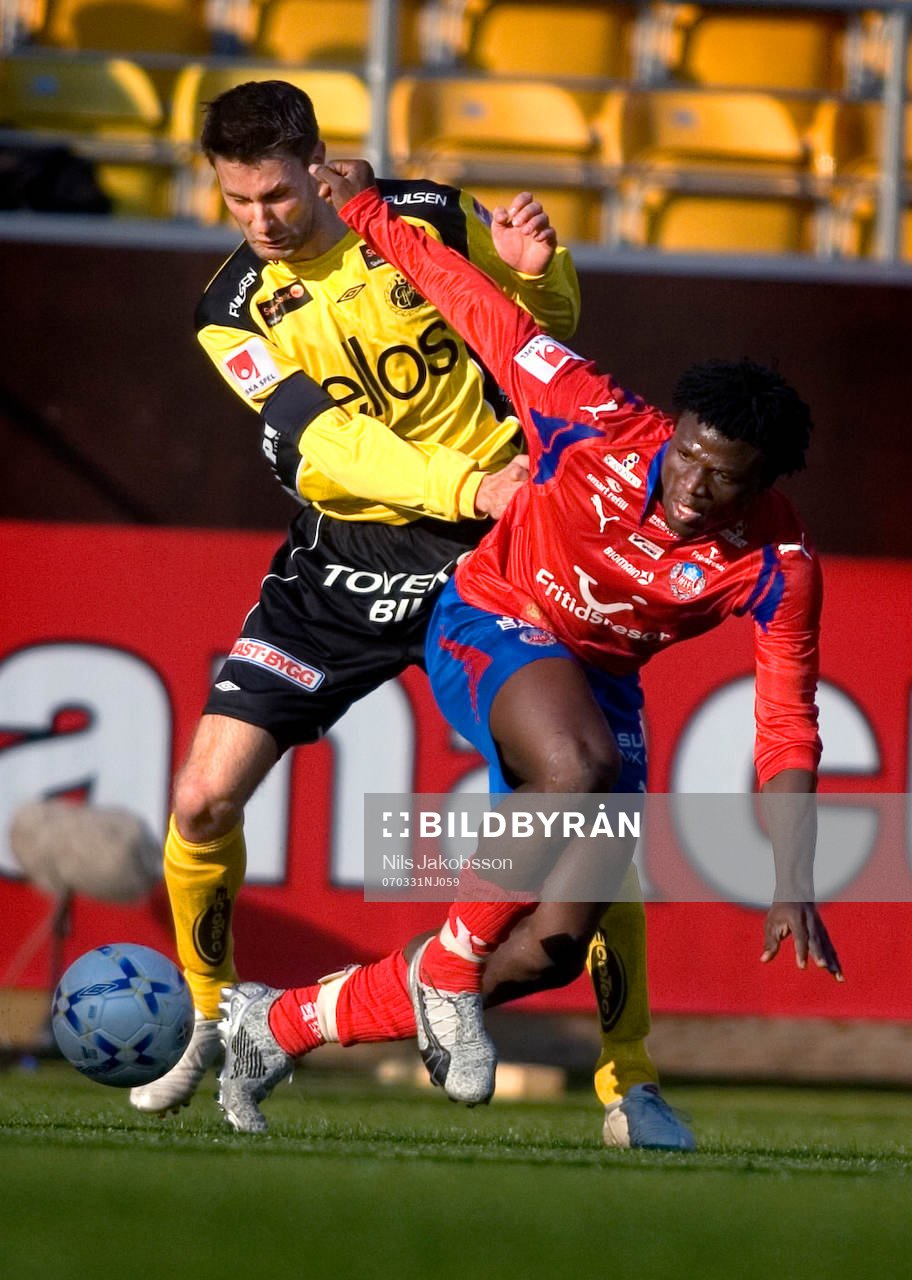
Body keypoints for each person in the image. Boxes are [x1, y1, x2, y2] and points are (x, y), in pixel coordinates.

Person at [214, 159, 844, 1138]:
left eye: (722, 481)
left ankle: (285, 1019)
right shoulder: (590, 416)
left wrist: (795, 874)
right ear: (672, 428)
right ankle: (454, 974)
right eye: (686, 456)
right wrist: (370, 209)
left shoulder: (777, 562)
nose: (690, 490)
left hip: (597, 678)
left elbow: (786, 723)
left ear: (762, 484)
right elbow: (477, 306)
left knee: (552, 946)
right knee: (577, 765)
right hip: (490, 615)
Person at [130, 79, 690, 1149]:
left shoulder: (421, 217)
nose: (259, 223)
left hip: (496, 553)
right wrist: (468, 486)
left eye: (277, 196)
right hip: (349, 556)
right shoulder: (228, 313)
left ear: (316, 162)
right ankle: (213, 1019)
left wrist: (543, 276)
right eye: (236, 201)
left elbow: (538, 342)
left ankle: (634, 1079)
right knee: (202, 796)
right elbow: (326, 442)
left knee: (590, 812)